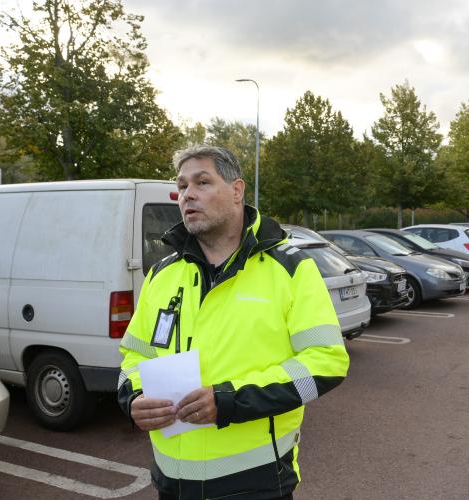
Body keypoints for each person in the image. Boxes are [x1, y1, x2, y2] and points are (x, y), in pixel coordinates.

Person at [117, 145, 349, 500]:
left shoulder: (289, 269)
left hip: (255, 485)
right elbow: (133, 357)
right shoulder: (162, 275)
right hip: (171, 483)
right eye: (181, 186)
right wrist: (133, 396)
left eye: (202, 182)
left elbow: (326, 362)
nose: (187, 195)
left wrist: (229, 400)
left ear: (237, 191)